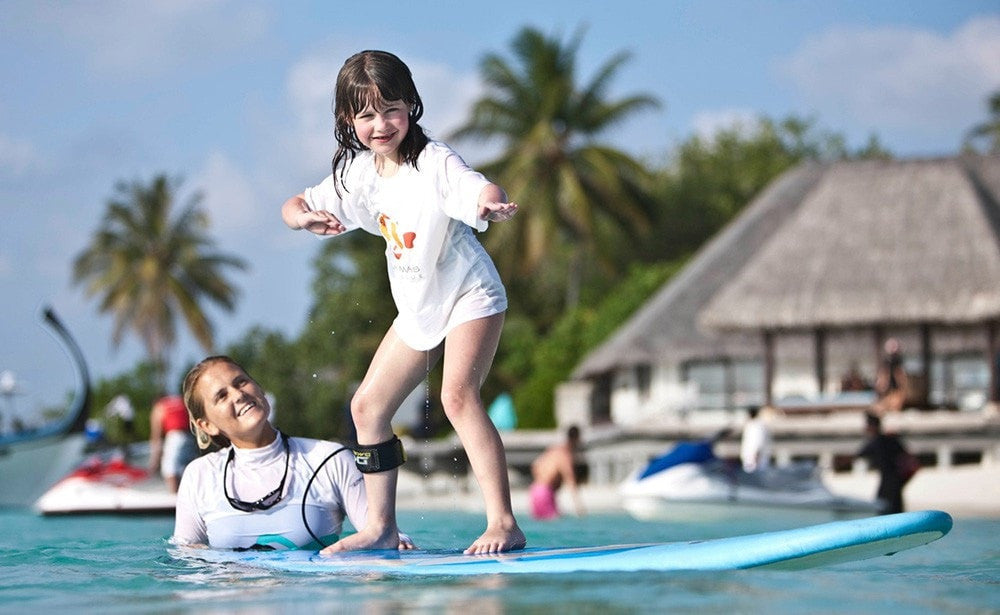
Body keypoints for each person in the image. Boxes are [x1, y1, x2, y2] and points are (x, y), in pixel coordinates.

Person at [281, 50, 523, 555]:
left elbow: (474, 185)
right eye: (366, 115)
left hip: (469, 294)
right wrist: (302, 218)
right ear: (349, 120)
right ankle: (381, 527)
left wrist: (489, 202)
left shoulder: (433, 162)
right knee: (367, 408)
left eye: (391, 109)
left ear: (411, 105)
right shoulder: (359, 174)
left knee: (458, 396)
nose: (381, 124)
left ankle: (503, 522)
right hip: (418, 307)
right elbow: (293, 205)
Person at [171, 356, 414, 551]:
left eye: (241, 382)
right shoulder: (199, 475)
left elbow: (380, 532)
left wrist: (400, 543)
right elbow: (187, 558)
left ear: (259, 388)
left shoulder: (329, 459)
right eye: (221, 396)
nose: (238, 394)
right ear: (207, 426)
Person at [857, 412, 912, 515]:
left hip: (887, 487)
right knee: (897, 516)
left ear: (871, 426)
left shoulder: (877, 442)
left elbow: (860, 454)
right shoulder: (891, 439)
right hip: (895, 484)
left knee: (884, 515)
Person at [529, 425, 585, 520]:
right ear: (577, 438)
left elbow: (535, 465)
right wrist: (579, 508)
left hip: (535, 490)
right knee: (556, 523)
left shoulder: (553, 449)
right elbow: (570, 481)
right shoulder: (565, 455)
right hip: (545, 493)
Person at [149, 392, 199, 493]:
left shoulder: (159, 406)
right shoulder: (180, 401)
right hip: (190, 437)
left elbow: (156, 434)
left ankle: (174, 499)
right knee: (186, 470)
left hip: (175, 437)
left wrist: (154, 462)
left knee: (169, 470)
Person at [874, 338, 908, 413]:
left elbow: (899, 376)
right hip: (889, 392)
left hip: (894, 392)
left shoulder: (896, 365)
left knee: (893, 408)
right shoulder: (887, 365)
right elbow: (883, 377)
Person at [740, 406, 772, 473]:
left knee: (753, 477)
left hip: (754, 459)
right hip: (751, 458)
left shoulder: (756, 426)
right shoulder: (752, 424)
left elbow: (757, 442)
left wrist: (756, 457)